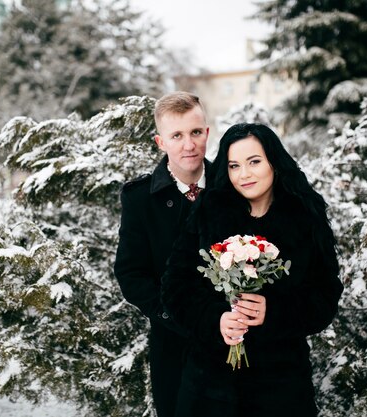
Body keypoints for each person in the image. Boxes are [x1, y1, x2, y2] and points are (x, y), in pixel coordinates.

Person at [161, 123, 343, 417]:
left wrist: (274, 312)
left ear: (274, 161)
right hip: (209, 387)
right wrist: (215, 319)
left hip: (280, 388)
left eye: (254, 162)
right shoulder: (210, 212)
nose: (243, 174)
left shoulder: (303, 217)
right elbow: (175, 285)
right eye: (234, 165)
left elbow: (325, 294)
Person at [114, 92, 211, 417]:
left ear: (207, 133)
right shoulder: (140, 199)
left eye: (195, 132)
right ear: (161, 141)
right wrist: (172, 314)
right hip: (174, 346)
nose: (189, 145)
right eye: (177, 135)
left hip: (239, 343)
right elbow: (131, 273)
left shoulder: (234, 186)